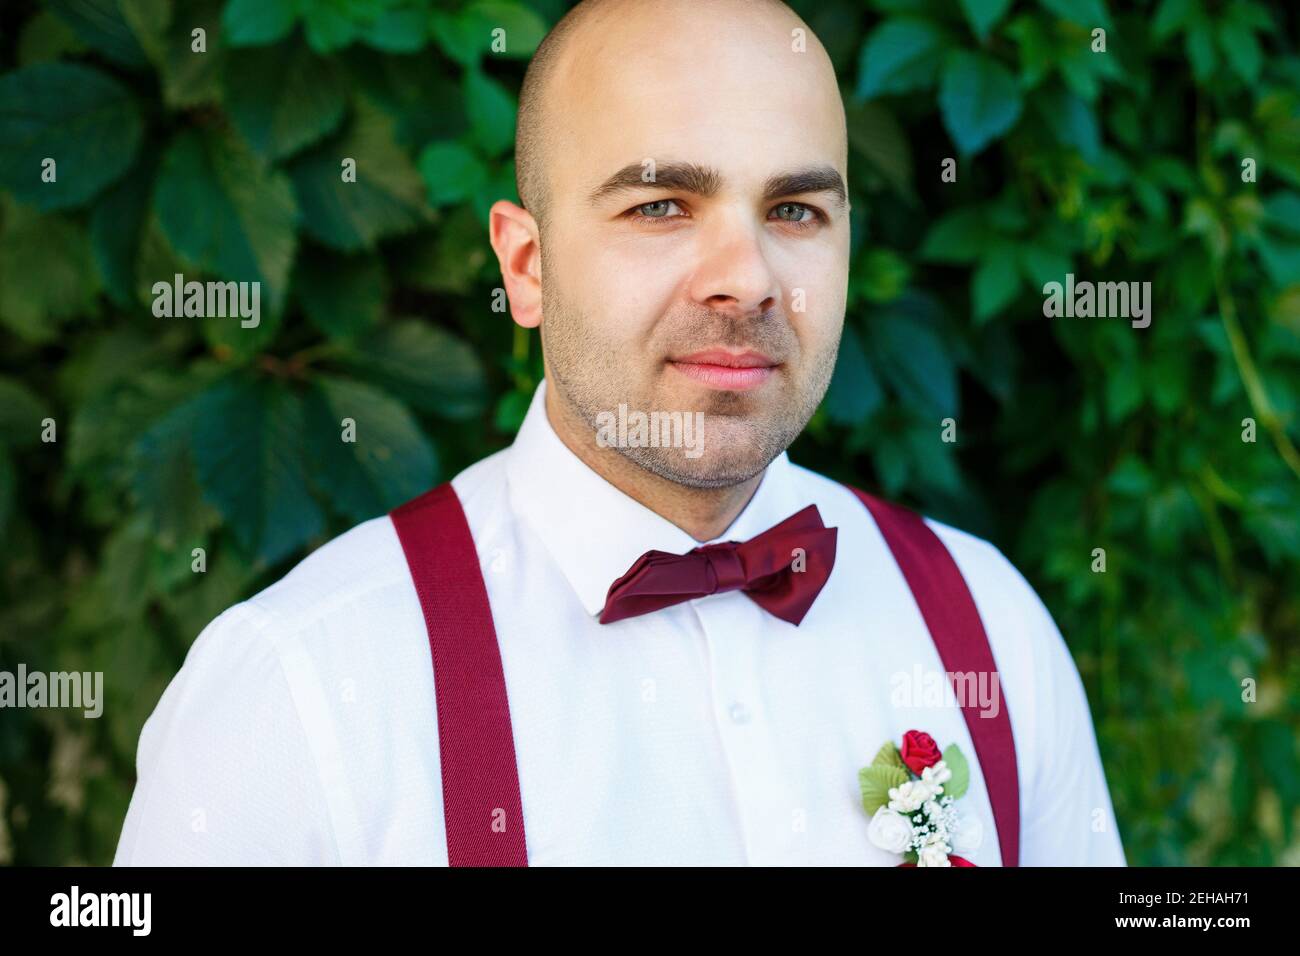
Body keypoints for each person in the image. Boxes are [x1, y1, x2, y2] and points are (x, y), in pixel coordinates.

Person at [114, 0, 1125, 866]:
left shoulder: (985, 625)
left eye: (796, 208)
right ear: (526, 264)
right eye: (658, 205)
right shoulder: (297, 692)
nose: (749, 276)